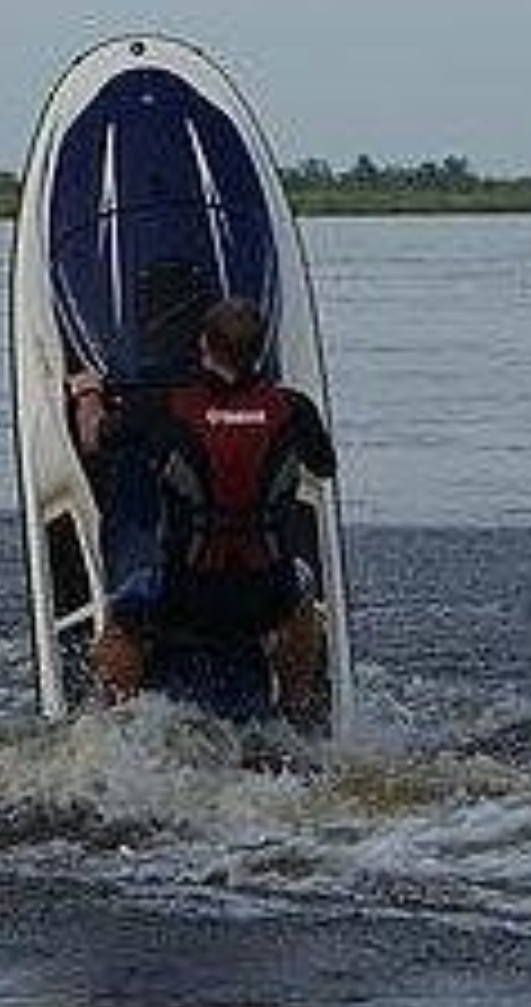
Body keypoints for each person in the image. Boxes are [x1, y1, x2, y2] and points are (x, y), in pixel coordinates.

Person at [67, 296, 336, 723]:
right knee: (302, 588)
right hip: (265, 594)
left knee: (123, 614)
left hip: (183, 593)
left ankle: (112, 723)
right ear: (261, 349)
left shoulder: (167, 407)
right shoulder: (294, 408)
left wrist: (87, 392)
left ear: (204, 346)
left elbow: (93, 439)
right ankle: (296, 711)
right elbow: (325, 465)